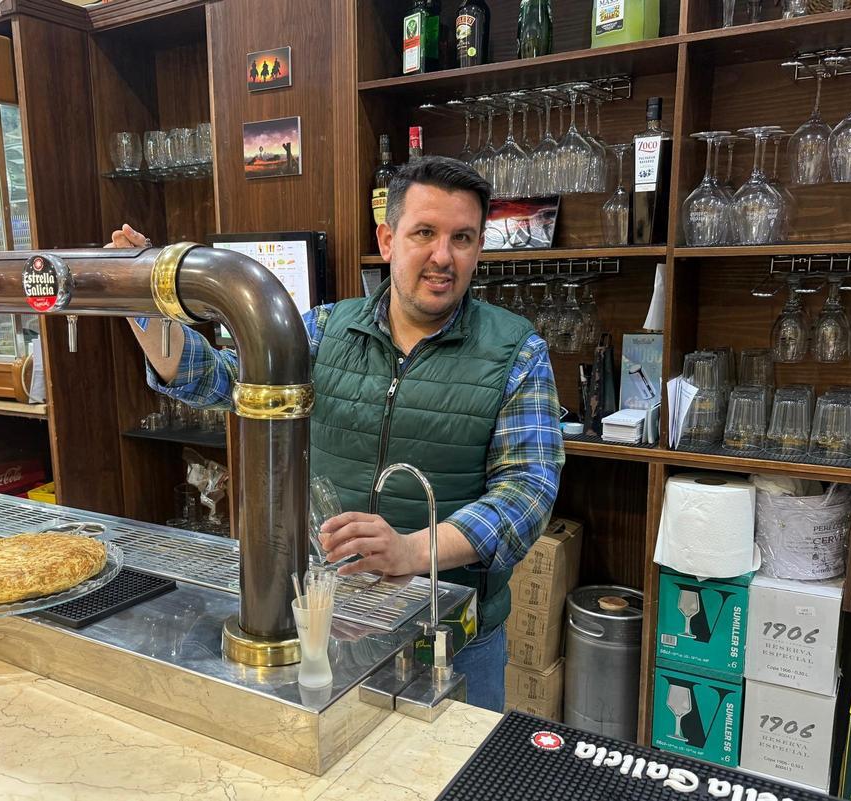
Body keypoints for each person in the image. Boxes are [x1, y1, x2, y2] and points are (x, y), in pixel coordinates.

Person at [109, 156, 563, 712]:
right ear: (388, 238)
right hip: (326, 620)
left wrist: (410, 551)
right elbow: (224, 378)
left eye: (462, 238)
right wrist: (146, 307)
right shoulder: (325, 329)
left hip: (451, 640)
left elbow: (528, 493)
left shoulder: (516, 350)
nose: (443, 256)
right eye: (425, 233)